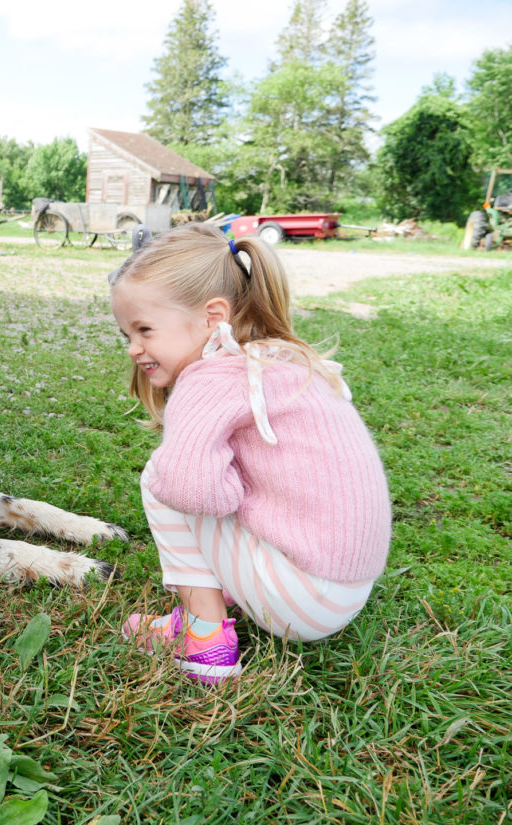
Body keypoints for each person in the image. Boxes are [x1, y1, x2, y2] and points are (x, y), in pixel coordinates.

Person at [109, 222, 391, 686]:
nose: (136, 348)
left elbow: (192, 490)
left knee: (163, 477)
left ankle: (203, 639)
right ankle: (234, 592)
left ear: (213, 317)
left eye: (144, 330)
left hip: (301, 599)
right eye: (128, 335)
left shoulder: (210, 376)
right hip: (347, 590)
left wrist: (221, 491)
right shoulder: (278, 358)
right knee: (204, 476)